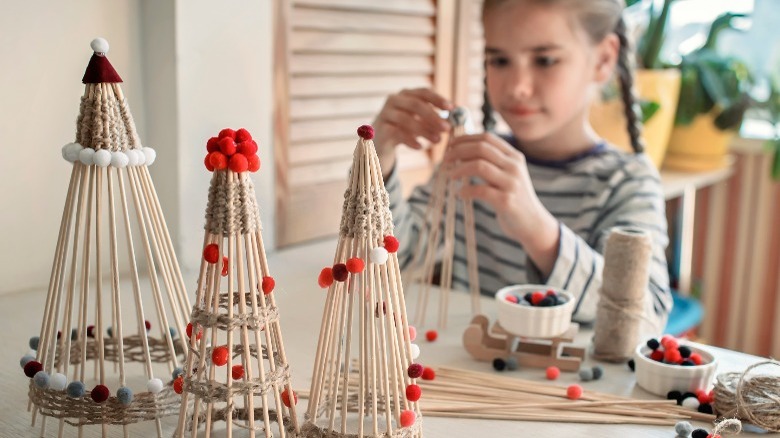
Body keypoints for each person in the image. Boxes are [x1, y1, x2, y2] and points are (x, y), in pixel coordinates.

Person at [372, 0, 672, 332]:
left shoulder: (628, 181)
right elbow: (400, 256)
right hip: (464, 368)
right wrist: (379, 157)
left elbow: (647, 318)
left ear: (602, 59)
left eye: (545, 60)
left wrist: (539, 231)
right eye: (499, 60)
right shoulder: (474, 160)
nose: (517, 86)